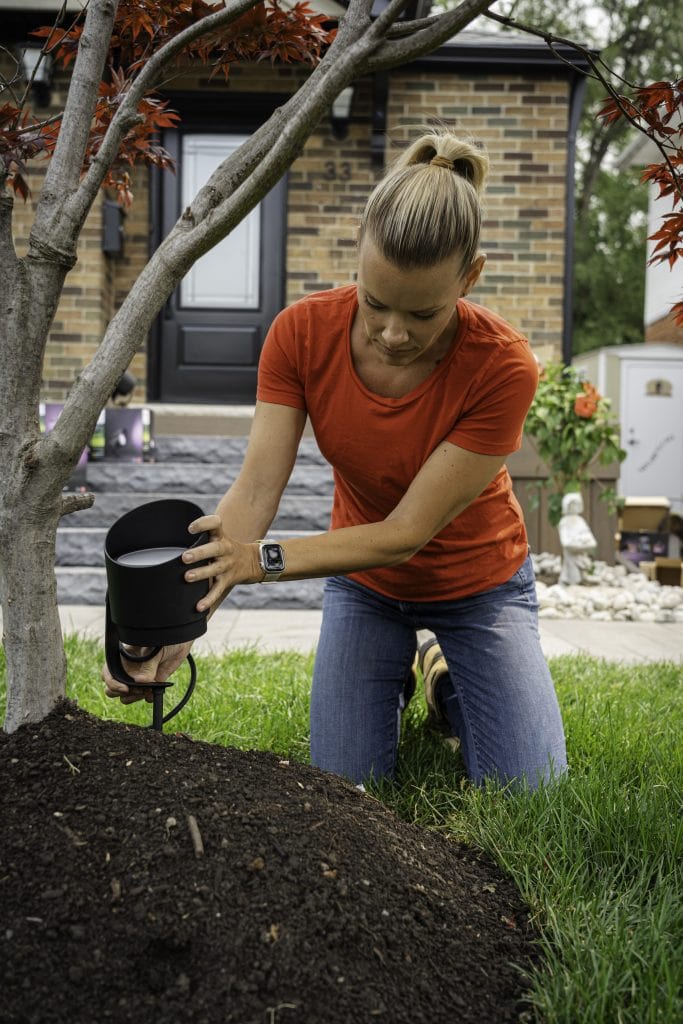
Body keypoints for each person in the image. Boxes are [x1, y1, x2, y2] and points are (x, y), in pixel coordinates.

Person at [104, 128, 567, 790]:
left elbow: (405, 534)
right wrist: (178, 624)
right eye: (375, 302)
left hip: (480, 587)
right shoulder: (300, 335)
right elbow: (255, 493)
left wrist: (258, 564)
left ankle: (443, 676)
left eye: (423, 312)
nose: (391, 332)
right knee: (345, 787)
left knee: (530, 789)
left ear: (471, 277)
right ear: (357, 248)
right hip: (366, 589)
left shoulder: (502, 366)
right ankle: (392, 668)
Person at [558, 491, 597, 585]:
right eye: (572, 504)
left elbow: (591, 541)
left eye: (576, 504)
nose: (574, 507)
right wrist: (578, 542)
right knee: (573, 576)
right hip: (570, 556)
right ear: (566, 506)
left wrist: (582, 541)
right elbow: (566, 542)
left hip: (582, 556)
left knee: (584, 576)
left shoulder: (581, 521)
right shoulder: (564, 522)